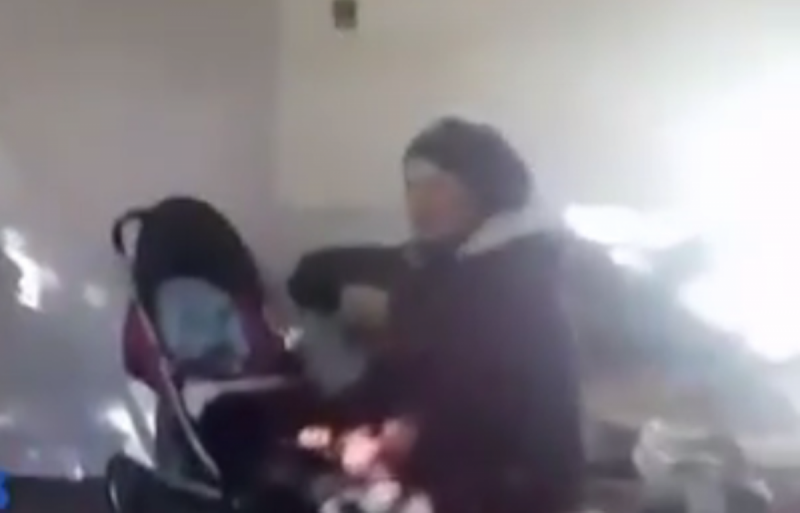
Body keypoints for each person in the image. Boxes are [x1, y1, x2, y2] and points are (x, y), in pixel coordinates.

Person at [332, 117, 585, 513]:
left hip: (510, 489)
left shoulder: (521, 281)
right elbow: (397, 367)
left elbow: (493, 410)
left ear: (483, 191)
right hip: (446, 472)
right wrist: (335, 417)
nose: (419, 202)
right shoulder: (433, 271)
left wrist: (406, 440)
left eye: (438, 185)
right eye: (411, 186)